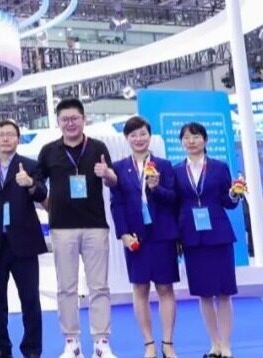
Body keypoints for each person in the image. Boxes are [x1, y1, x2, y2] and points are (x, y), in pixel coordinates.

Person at [34, 97, 118, 358]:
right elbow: (37, 186)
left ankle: (101, 342)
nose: (70, 123)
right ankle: (72, 342)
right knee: (66, 288)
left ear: (84, 119)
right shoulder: (49, 151)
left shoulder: (98, 147)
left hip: (95, 226)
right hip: (62, 228)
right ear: (58, 122)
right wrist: (50, 205)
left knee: (99, 287)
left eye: (74, 118)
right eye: (65, 119)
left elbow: (113, 182)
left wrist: (107, 174)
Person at [0, 119, 48, 358]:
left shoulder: (31, 165)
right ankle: (1, 347)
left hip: (24, 243)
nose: (6, 138)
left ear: (18, 139)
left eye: (10, 134)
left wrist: (30, 184)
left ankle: (32, 349)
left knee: (30, 299)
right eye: (1, 134)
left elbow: (42, 194)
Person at [108, 116, 179, 358]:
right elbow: (116, 204)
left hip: (162, 235)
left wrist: (156, 188)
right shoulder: (118, 168)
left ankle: (167, 343)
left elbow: (173, 199)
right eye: (133, 135)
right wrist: (123, 234)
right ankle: (148, 343)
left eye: (143, 134)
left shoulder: (164, 166)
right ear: (126, 138)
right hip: (135, 236)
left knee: (165, 288)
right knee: (139, 288)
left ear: (150, 136)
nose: (139, 139)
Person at [172, 122, 244, 358]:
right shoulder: (175, 171)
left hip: (219, 236)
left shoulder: (219, 167)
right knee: (203, 293)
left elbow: (228, 201)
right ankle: (214, 344)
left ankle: (226, 345)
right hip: (191, 237)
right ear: (181, 142)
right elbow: (174, 204)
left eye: (195, 136)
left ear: (205, 140)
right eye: (186, 138)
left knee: (223, 292)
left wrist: (235, 194)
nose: (191, 141)